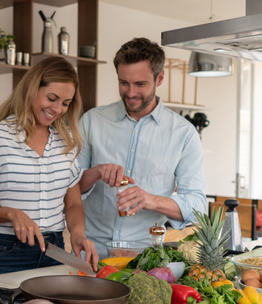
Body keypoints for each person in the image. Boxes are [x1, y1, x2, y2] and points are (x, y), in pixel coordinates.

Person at [0, 57, 98, 275]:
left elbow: (72, 203)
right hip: (5, 251)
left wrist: (79, 234)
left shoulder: (67, 141)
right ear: (32, 88)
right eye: (51, 98)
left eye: (65, 103)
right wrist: (10, 214)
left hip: (55, 249)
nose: (58, 109)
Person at [78, 37, 208, 258]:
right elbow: (69, 186)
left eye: (140, 84)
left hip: (144, 258)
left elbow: (198, 207)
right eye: (123, 83)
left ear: (160, 78)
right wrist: (97, 172)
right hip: (90, 253)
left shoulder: (184, 134)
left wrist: (152, 200)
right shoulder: (92, 121)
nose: (130, 93)